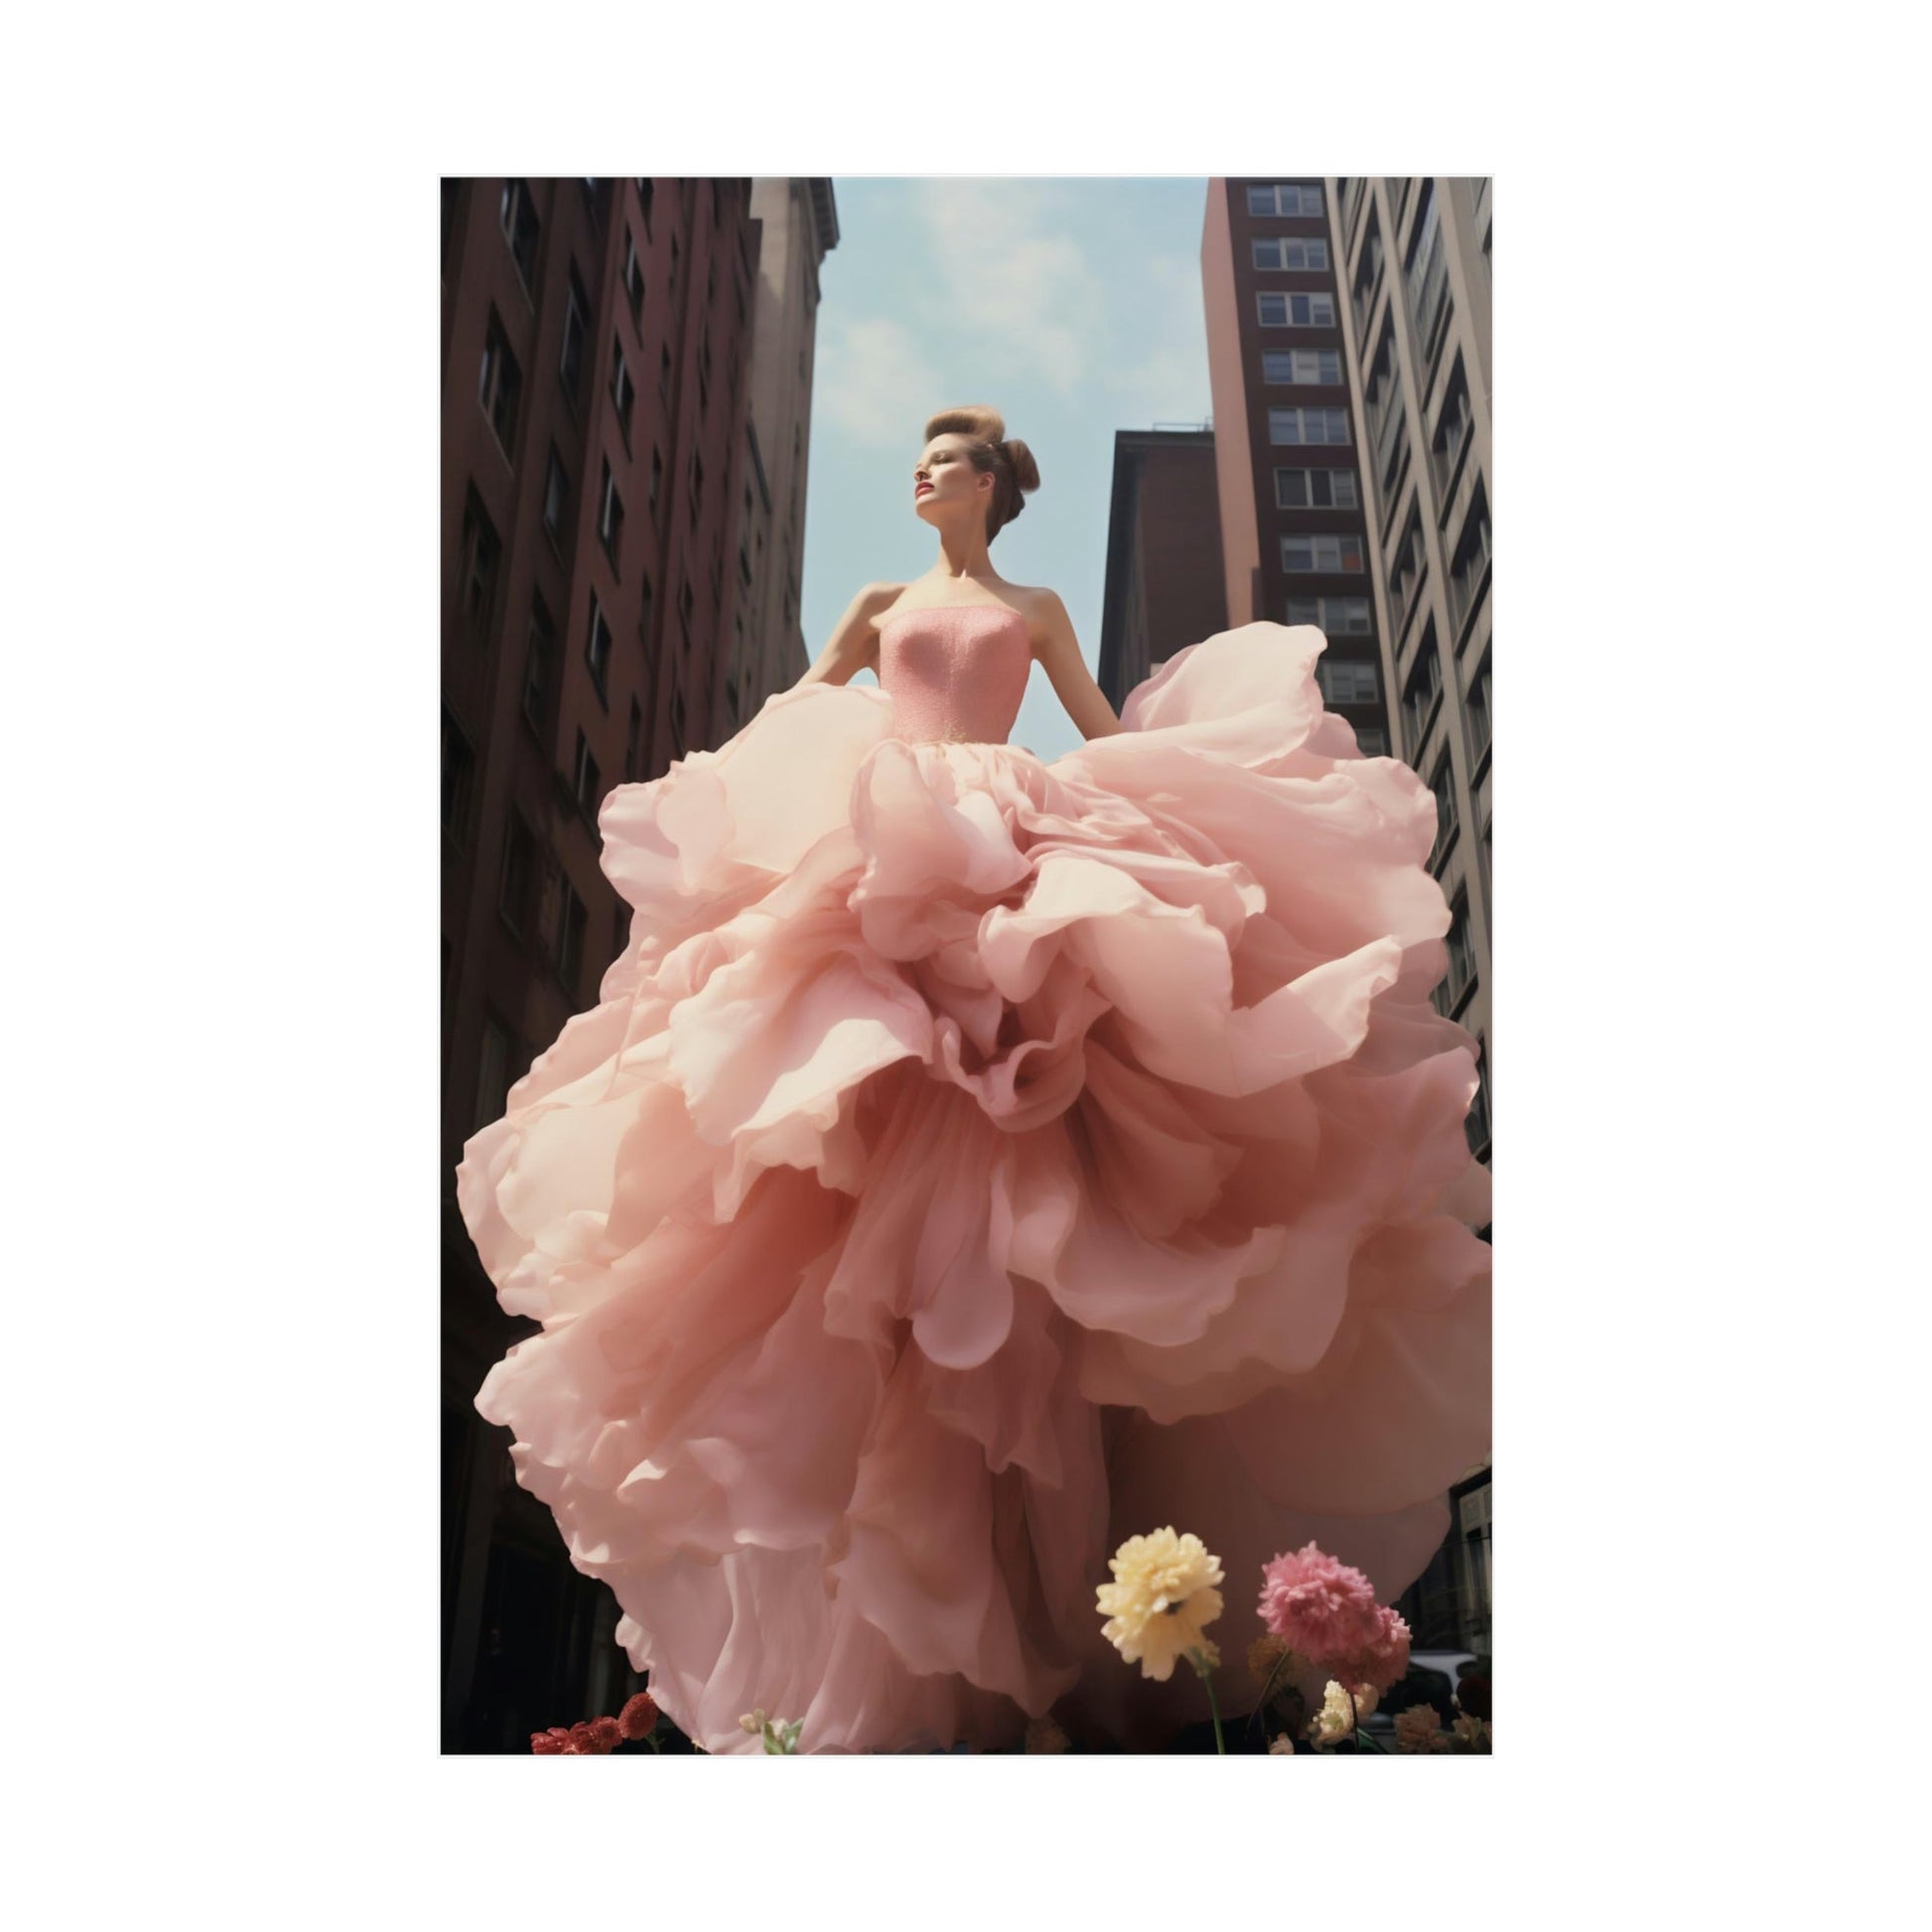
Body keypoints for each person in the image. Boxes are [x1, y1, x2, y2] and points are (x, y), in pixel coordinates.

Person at [455, 404, 1491, 1754]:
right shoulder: (880, 600)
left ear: (993, 488)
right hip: (887, 852)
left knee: (1025, 1219)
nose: (923, 471)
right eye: (922, 458)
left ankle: (1056, 1620)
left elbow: (1106, 729)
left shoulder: (1042, 604)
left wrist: (1152, 828)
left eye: (948, 460)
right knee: (877, 1178)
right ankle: (903, 1637)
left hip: (1014, 842)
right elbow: (801, 709)